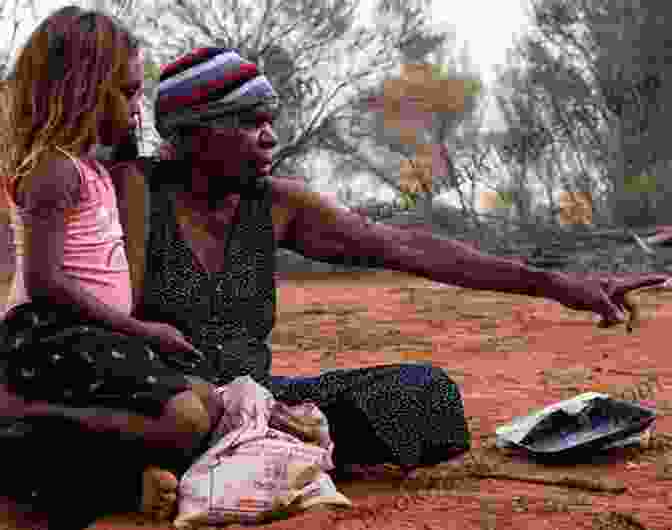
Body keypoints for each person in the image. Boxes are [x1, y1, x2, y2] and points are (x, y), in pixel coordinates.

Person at [108, 47, 668, 486]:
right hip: (166, 403)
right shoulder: (131, 195)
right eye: (248, 121)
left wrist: (559, 284)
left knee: (426, 395)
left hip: (261, 401)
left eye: (269, 119)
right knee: (160, 418)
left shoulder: (274, 204)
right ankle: (208, 454)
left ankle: (254, 448)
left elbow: (406, 247)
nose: (270, 136)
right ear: (195, 133)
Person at [0, 7, 225, 525]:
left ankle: (115, 480)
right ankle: (15, 422)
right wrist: (141, 330)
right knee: (186, 418)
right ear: (81, 90)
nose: (136, 106)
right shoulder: (52, 171)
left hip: (89, 335)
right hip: (48, 333)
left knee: (205, 405)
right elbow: (44, 281)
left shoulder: (92, 169)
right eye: (126, 93)